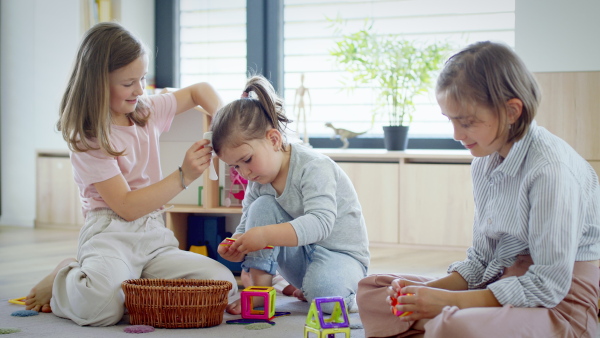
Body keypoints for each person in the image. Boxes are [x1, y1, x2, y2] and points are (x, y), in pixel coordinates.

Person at [357, 41, 600, 337]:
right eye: (451, 121)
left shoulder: (551, 170)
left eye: (468, 123)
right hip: (497, 282)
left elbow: (547, 285)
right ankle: (435, 323)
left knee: (454, 324)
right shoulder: (485, 160)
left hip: (557, 303)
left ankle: (435, 324)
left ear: (512, 111)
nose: (457, 135)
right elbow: (481, 260)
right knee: (372, 289)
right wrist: (422, 294)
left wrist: (447, 302)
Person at [24, 22, 238, 326]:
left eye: (143, 78)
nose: (140, 89)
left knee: (223, 285)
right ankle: (67, 276)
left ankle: (126, 289)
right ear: (98, 83)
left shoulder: (145, 110)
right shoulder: (88, 136)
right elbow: (125, 206)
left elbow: (199, 91)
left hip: (153, 237)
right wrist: (184, 176)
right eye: (129, 83)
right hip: (109, 234)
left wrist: (224, 122)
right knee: (100, 309)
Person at [213, 75, 370, 313]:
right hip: (301, 257)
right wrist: (238, 244)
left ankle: (346, 295)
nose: (244, 173)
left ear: (274, 139)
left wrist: (264, 235)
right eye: (235, 167)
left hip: (340, 255)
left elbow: (321, 223)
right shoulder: (258, 180)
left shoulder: (314, 166)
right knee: (261, 207)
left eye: (246, 160)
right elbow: (248, 225)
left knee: (325, 298)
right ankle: (261, 291)